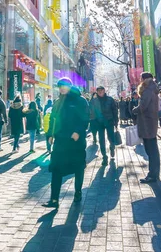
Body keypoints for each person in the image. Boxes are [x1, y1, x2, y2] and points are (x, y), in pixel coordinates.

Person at [43, 78, 89, 208]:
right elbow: (53, 119)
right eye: (60, 86)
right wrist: (50, 135)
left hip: (75, 141)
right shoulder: (58, 102)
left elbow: (85, 118)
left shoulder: (80, 100)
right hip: (60, 140)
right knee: (56, 168)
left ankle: (78, 191)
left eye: (64, 86)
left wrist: (78, 132)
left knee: (78, 166)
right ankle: (54, 200)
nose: (62, 88)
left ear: (70, 86)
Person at [132, 72, 160, 184]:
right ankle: (154, 174)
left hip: (147, 123)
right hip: (150, 122)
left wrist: (135, 109)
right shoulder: (153, 89)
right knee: (152, 150)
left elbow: (143, 106)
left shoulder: (148, 90)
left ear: (144, 79)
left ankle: (153, 175)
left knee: (151, 150)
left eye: (141, 78)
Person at [89, 86, 119, 166]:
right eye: (98, 91)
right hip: (99, 123)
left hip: (109, 122)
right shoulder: (94, 101)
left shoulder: (110, 99)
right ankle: (104, 157)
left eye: (101, 90)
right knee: (101, 140)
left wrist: (116, 121)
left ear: (104, 91)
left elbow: (115, 111)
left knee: (111, 138)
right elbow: (92, 112)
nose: (100, 92)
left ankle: (112, 148)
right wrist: (94, 122)